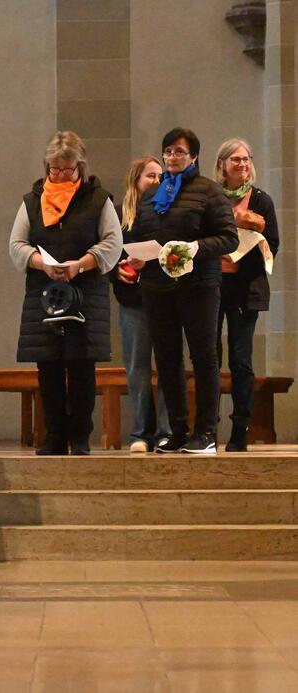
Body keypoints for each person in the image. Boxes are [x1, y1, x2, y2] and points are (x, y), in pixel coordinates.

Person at [9, 131, 121, 456]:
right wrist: (41, 263)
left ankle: (80, 437)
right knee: (49, 367)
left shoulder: (98, 199)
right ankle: (54, 436)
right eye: (54, 169)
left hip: (85, 294)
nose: (59, 175)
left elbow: (113, 242)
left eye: (67, 169)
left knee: (82, 366)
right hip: (45, 295)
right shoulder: (32, 201)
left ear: (80, 167)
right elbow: (17, 244)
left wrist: (82, 264)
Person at [132, 128, 237, 454]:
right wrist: (137, 255)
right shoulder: (152, 194)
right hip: (157, 286)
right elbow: (141, 233)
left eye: (179, 151)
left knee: (204, 356)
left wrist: (194, 247)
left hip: (199, 286)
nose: (172, 157)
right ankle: (177, 430)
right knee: (166, 357)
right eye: (168, 151)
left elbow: (229, 238)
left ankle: (206, 432)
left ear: (193, 156)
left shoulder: (208, 191)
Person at [213, 138, 279, 452]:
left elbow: (272, 244)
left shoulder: (261, 201)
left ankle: (240, 429)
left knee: (240, 359)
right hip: (212, 286)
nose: (242, 164)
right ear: (222, 165)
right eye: (235, 159)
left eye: (246, 159)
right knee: (209, 358)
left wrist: (241, 257)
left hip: (245, 288)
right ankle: (208, 427)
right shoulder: (212, 198)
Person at [111, 156, 175, 453]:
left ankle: (166, 431)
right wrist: (117, 272)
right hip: (133, 300)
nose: (157, 181)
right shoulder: (119, 214)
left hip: (164, 297)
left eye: (161, 176)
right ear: (135, 180)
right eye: (151, 176)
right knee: (137, 367)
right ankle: (141, 432)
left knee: (168, 365)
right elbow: (107, 252)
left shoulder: (169, 210)